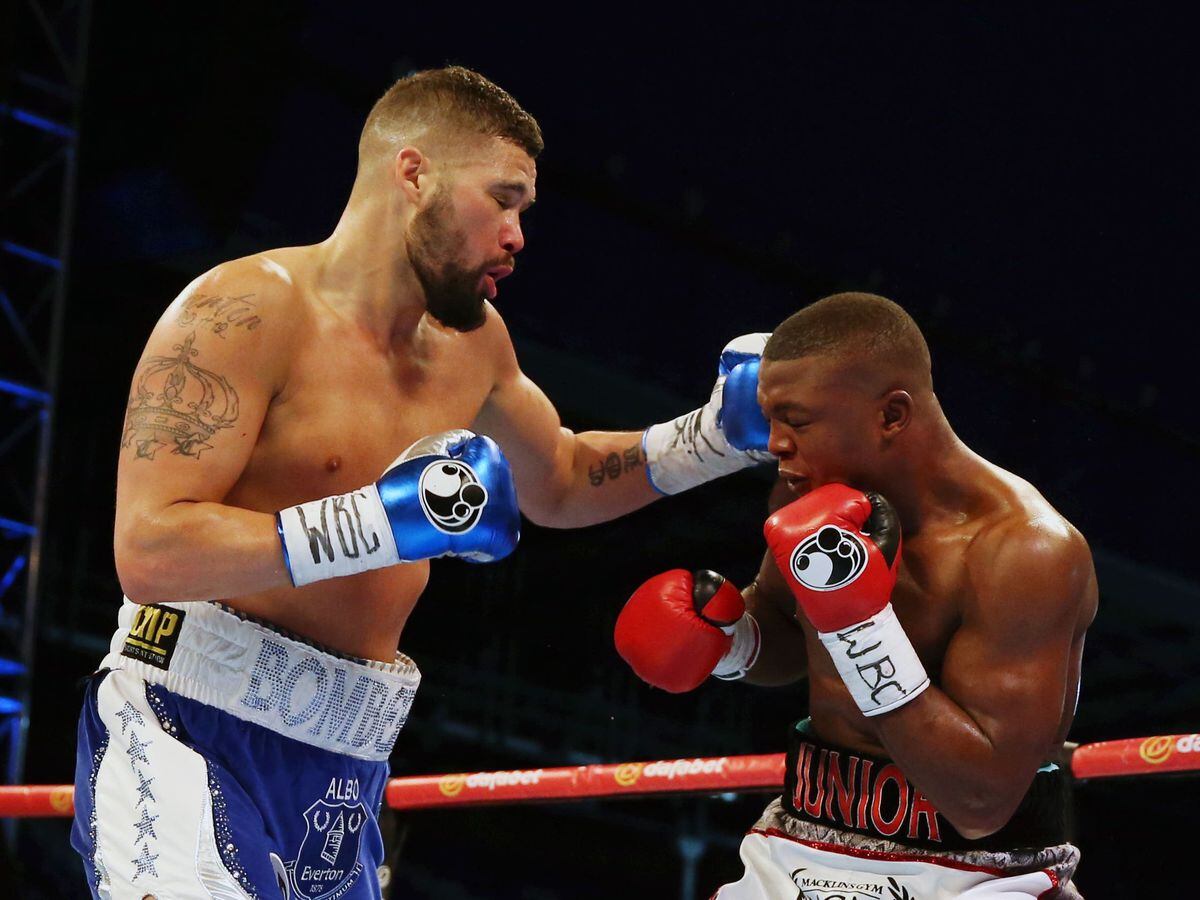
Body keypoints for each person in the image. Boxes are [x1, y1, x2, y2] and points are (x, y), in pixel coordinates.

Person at [70, 66, 770, 899]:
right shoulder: (245, 309)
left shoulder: (475, 346)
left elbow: (565, 479)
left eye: (524, 211)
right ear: (414, 173)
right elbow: (149, 548)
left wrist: (715, 438)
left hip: (346, 765)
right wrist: (375, 523)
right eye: (502, 199)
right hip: (189, 727)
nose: (517, 235)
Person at [615, 292, 1097, 898]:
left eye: (797, 420)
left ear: (892, 415)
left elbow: (981, 799)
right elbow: (789, 636)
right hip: (802, 839)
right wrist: (729, 643)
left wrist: (860, 627)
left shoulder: (1025, 552)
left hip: (973, 873)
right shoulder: (811, 494)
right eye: (771, 418)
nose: (775, 443)